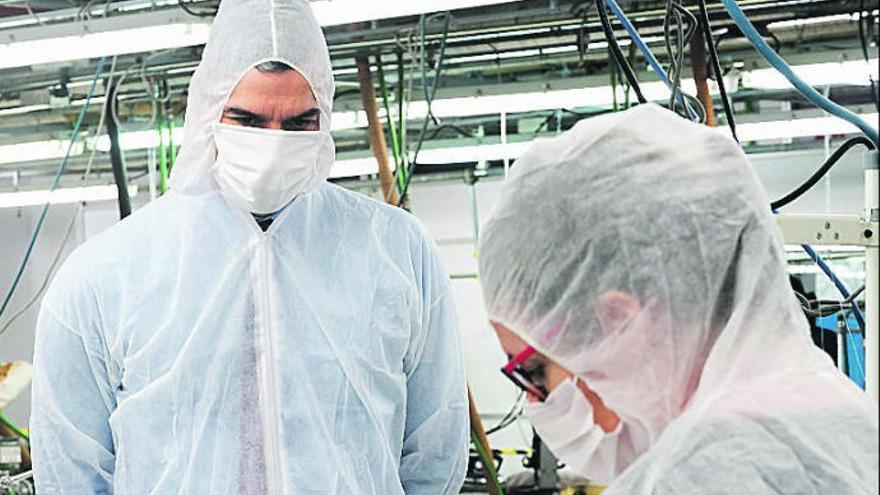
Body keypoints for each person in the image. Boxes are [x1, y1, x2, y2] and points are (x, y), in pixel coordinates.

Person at [29, 0, 468, 493]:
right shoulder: (106, 274)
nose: (274, 144)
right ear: (208, 111)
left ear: (324, 114)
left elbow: (435, 449)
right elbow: (70, 471)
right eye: (248, 119)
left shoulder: (397, 252)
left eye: (300, 122)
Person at [478, 104, 879, 493]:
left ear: (617, 319)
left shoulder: (694, 476)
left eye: (533, 370)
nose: (537, 400)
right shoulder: (851, 422)